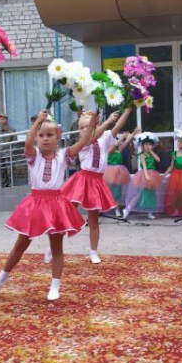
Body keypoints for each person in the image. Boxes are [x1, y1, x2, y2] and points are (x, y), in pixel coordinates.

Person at [0, 110, 95, 301]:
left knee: (57, 247)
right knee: (20, 244)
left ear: (58, 137)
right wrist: (38, 120)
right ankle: (1, 277)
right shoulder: (34, 155)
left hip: (56, 204)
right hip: (36, 204)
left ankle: (55, 285)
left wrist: (92, 123)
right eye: (41, 135)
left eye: (50, 135)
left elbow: (83, 142)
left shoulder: (64, 155)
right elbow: (28, 143)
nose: (45, 139)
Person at [60, 107, 132, 263]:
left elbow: (117, 127)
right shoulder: (83, 142)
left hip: (97, 181)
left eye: (88, 125)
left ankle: (93, 252)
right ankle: (53, 248)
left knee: (94, 219)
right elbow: (92, 136)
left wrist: (127, 110)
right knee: (67, 213)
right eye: (81, 127)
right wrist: (108, 121)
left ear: (95, 124)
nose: (85, 129)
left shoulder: (104, 137)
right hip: (82, 179)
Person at [123, 132, 163, 220]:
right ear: (142, 146)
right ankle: (127, 209)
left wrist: (152, 152)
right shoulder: (142, 155)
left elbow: (158, 160)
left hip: (153, 175)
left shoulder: (151, 154)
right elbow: (144, 166)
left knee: (151, 194)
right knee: (139, 194)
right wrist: (146, 175)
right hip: (144, 175)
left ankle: (150, 213)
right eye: (146, 144)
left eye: (150, 144)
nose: (148, 146)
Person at [105, 128, 139, 217]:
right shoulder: (108, 150)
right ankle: (104, 208)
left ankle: (117, 208)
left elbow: (126, 142)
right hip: (109, 172)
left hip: (119, 172)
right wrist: (121, 137)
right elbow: (114, 146)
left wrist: (134, 132)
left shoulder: (118, 149)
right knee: (108, 190)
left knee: (117, 190)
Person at [0, 115, 15, 187]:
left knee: (10, 171)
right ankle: (4, 185)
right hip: (0, 154)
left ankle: (11, 185)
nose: (1, 120)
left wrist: (11, 152)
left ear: (6, 120)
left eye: (3, 119)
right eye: (0, 119)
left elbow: (14, 143)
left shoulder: (12, 130)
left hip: (8, 154)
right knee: (2, 171)